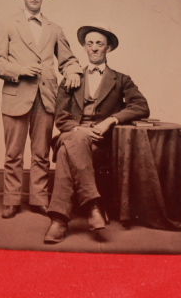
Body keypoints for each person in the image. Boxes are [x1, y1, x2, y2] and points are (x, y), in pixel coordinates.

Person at [0, 0, 82, 219]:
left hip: (46, 97)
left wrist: (72, 71)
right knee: (13, 153)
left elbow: (68, 59)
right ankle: (11, 200)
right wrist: (19, 70)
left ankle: (39, 199)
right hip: (16, 95)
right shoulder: (7, 24)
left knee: (41, 153)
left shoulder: (54, 29)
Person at [43, 24, 150, 244]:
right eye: (89, 44)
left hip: (101, 142)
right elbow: (61, 118)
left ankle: (59, 220)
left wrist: (111, 120)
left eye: (99, 44)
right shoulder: (71, 78)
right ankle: (93, 205)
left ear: (107, 48)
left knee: (65, 153)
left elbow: (141, 106)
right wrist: (81, 129)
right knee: (76, 139)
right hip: (75, 133)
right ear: (83, 48)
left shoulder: (121, 79)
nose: (94, 48)